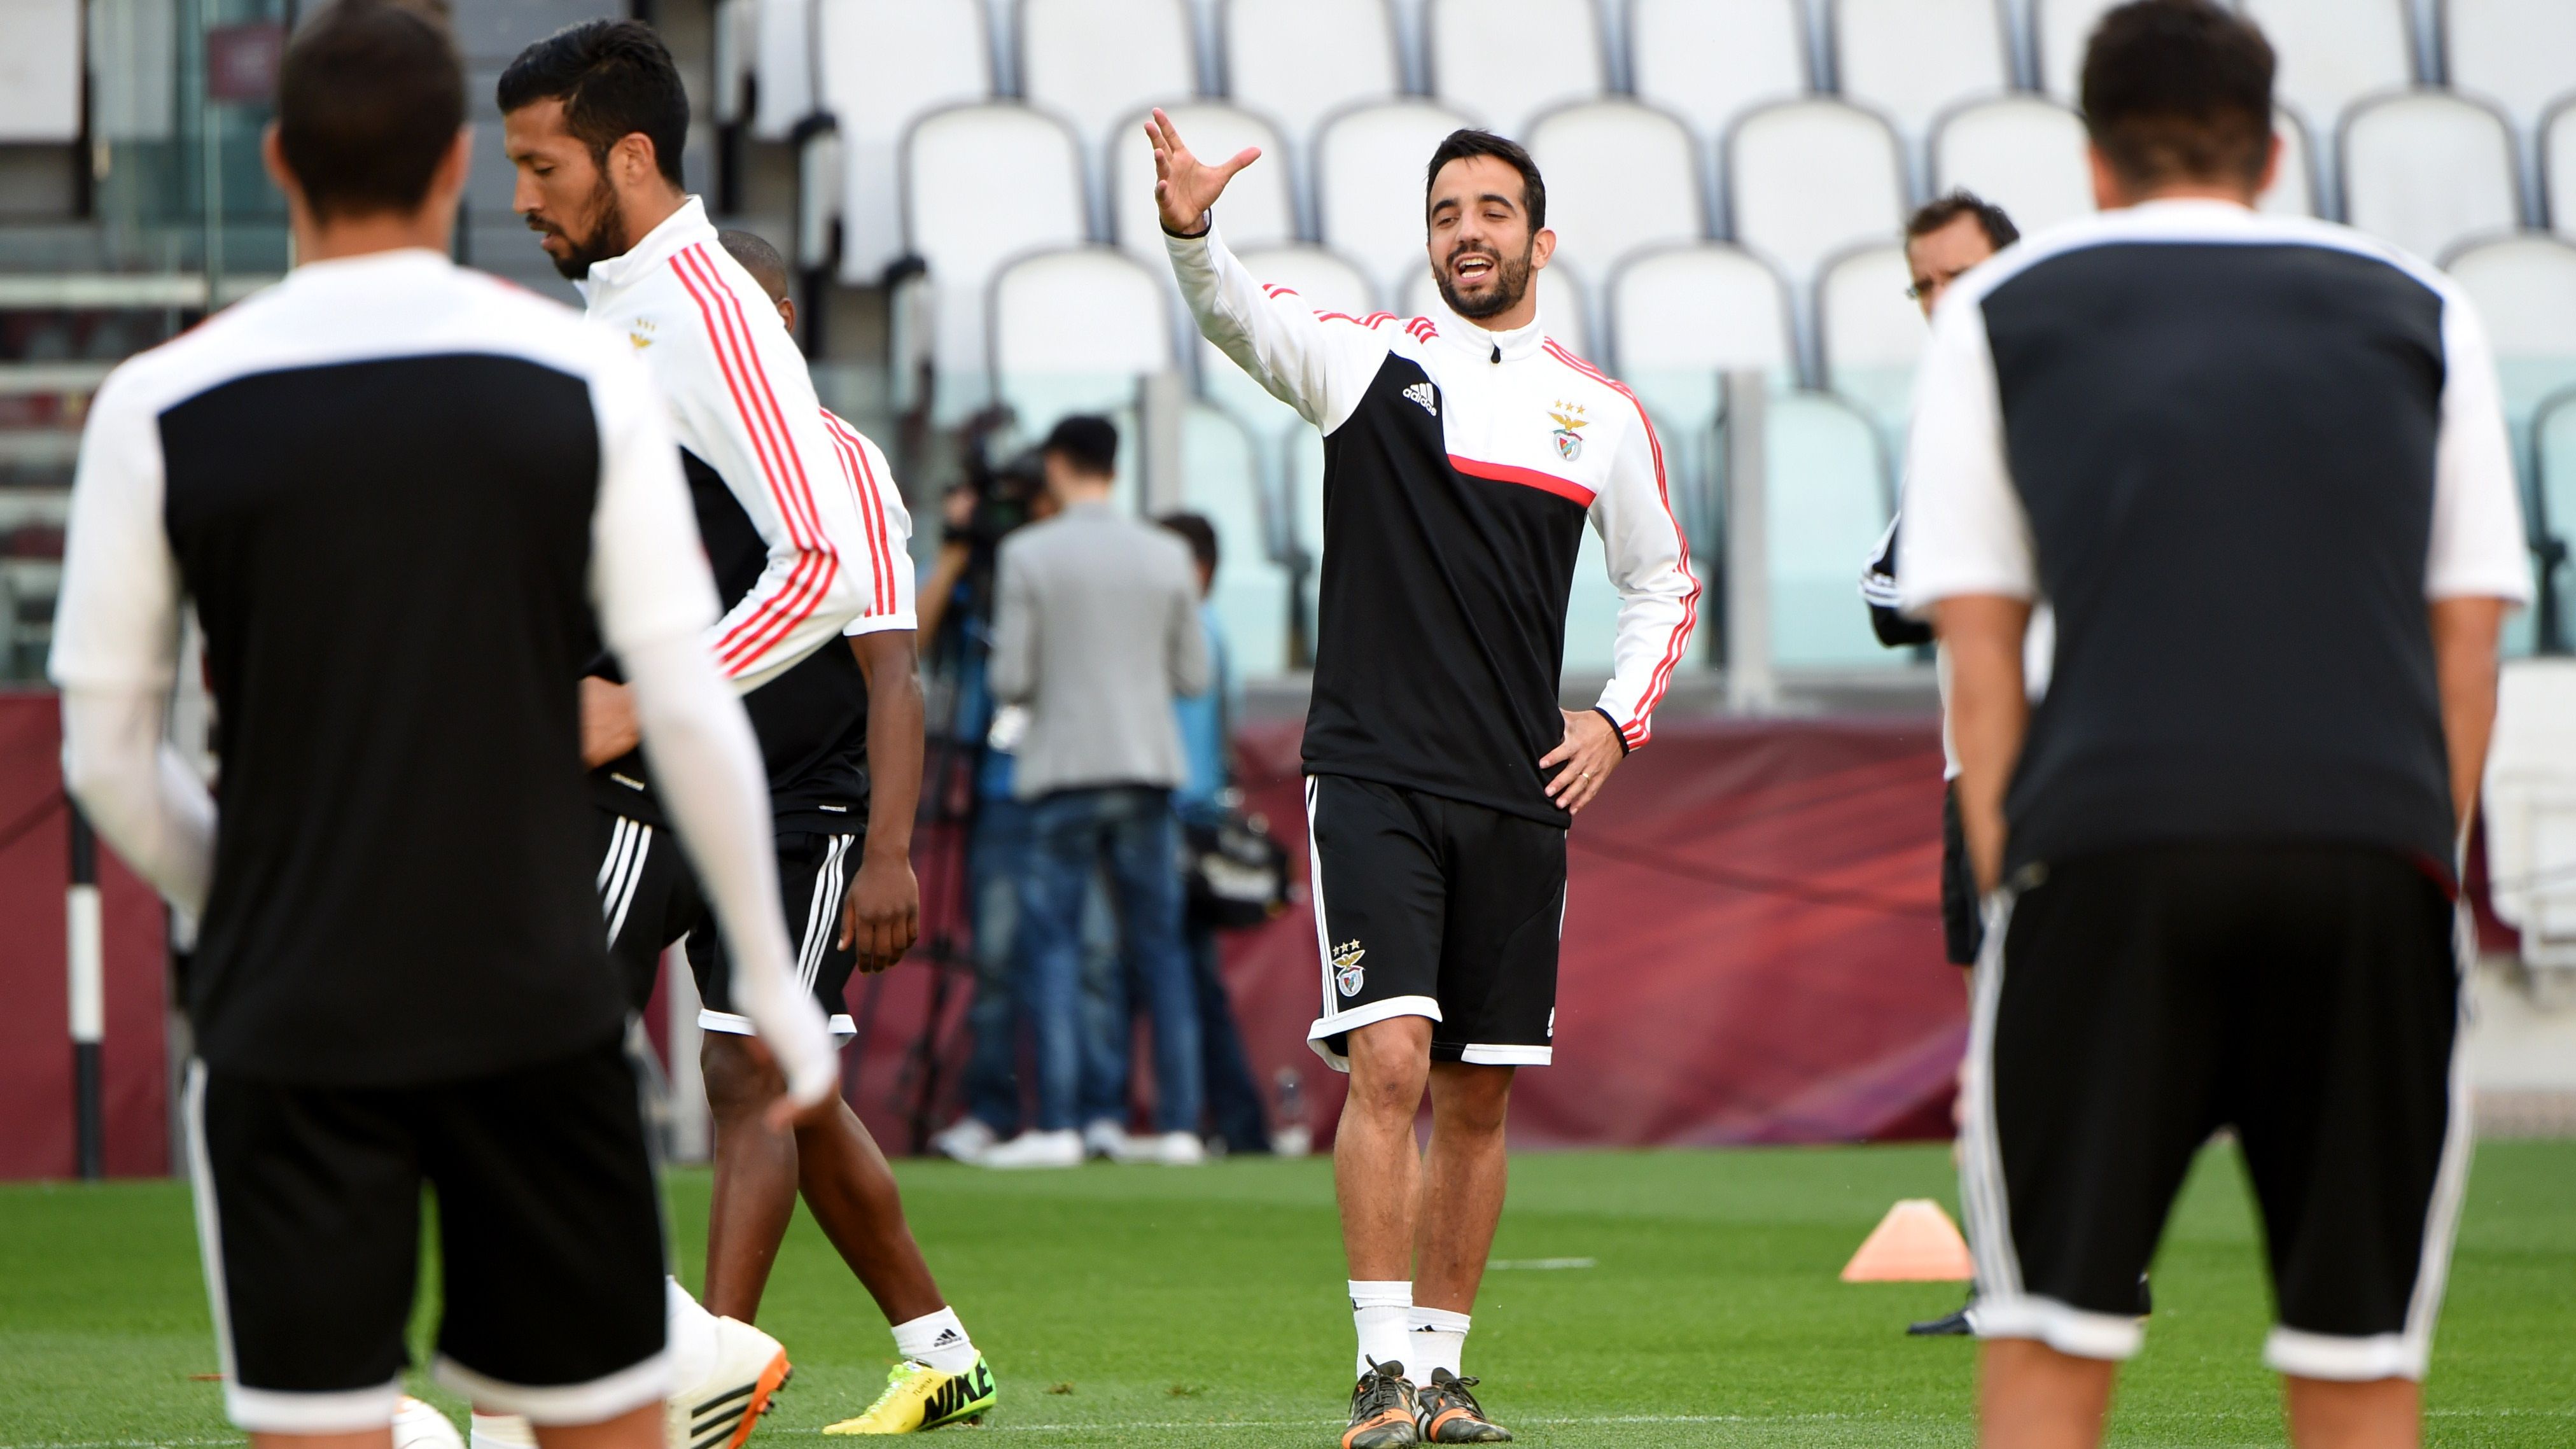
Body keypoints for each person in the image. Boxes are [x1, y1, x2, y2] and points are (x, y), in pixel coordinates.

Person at [46, 5, 838, 1446]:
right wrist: (776, 988)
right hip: (528, 991)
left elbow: (103, 756)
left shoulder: (153, 403)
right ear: (458, 162)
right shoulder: (584, 375)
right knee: (598, 1423)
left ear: (280, 161)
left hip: (289, 1007)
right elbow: (686, 706)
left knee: (328, 1426)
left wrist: (257, 897)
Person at [1898, 4, 2531, 1446]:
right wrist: (2407, 862)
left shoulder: (1999, 311)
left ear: (2095, 160)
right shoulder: (2421, 307)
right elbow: (2467, 644)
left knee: (2050, 1345)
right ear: (2274, 146)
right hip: (2368, 854)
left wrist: (2012, 889)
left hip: (2104, 856)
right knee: (2358, 1362)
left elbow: (1980, 656)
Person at [1151, 114, 1698, 1446]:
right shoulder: (1363, 364)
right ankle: (1379, 1368)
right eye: (1446, 209)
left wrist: (1618, 723)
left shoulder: (1602, 413)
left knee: (1477, 1091)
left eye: (1492, 210)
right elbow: (1231, 313)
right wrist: (1188, 227)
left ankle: (1446, 1376)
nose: (1467, 229)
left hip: (1520, 793)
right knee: (1386, 1057)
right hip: (1376, 773)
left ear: (1538, 239)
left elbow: (1661, 581)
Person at [496, 21, 993, 1436]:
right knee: (680, 1072)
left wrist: (887, 843)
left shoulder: (718, 327)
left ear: (630, 155)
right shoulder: (623, 310)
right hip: (672, 780)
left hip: (769, 796)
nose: (522, 195)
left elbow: (860, 618)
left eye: (541, 166)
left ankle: (699, 1356)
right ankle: (874, 1345)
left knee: (734, 1073)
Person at [1857, 188, 2024, 1341]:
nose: (1937, 301)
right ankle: (2070, 1265)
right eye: (1920, 283)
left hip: (2031, 767)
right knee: (2019, 1021)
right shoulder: (1955, 406)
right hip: (1989, 760)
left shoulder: (2015, 399)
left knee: (2018, 1025)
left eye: (1954, 276)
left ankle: (2030, 1278)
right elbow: (1886, 593)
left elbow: (1897, 590)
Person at [983, 416, 1212, 1168]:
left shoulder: (1027, 553)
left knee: (1052, 945)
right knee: (1160, 948)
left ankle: (1060, 1124)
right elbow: (1193, 677)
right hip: (1146, 768)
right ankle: (1176, 1126)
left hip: (1061, 771)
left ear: (1057, 464)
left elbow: (1010, 679)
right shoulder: (1167, 554)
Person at [1158, 510, 1274, 1156]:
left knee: (1180, 977)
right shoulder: (1216, 632)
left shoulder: (1189, 629)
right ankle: (1236, 1122)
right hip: (1199, 820)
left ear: (1197, 569)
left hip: (1178, 819)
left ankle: (1225, 1120)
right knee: (1197, 981)